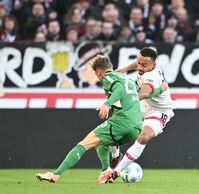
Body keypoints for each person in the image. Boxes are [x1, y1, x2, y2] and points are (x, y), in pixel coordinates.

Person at [35, 55, 143, 183]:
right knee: (101, 143)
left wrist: (106, 104)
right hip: (137, 127)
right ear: (111, 66)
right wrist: (159, 89)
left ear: (98, 72)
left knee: (82, 145)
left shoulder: (107, 77)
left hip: (122, 121)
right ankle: (106, 170)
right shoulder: (127, 79)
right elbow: (141, 91)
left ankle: (55, 175)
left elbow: (118, 90)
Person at [98, 47, 176, 183]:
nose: (139, 66)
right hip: (143, 104)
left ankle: (115, 172)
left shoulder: (153, 77)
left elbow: (145, 92)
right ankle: (116, 155)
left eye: (144, 65)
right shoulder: (144, 64)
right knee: (115, 123)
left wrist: (127, 100)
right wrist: (125, 69)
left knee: (143, 138)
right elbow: (138, 62)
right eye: (139, 62)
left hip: (158, 111)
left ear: (154, 64)